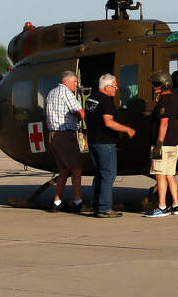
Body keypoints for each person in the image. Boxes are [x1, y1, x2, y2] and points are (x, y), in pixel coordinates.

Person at [84, 74, 136, 218]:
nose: (116, 88)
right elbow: (108, 122)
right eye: (114, 86)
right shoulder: (106, 101)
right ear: (107, 87)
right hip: (105, 143)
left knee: (99, 174)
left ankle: (95, 205)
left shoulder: (90, 99)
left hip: (93, 141)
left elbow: (87, 120)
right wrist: (127, 129)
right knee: (108, 174)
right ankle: (104, 208)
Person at [44, 70, 85, 212]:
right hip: (65, 135)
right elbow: (80, 111)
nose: (76, 85)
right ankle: (78, 200)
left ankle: (57, 200)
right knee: (77, 167)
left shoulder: (51, 93)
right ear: (66, 82)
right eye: (75, 82)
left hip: (53, 136)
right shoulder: (66, 93)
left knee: (64, 170)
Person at [144, 70, 178, 217]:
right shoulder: (176, 98)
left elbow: (164, 123)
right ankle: (176, 205)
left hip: (163, 144)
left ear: (164, 84)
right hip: (174, 143)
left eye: (156, 84)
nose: (154, 87)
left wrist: (158, 144)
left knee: (160, 175)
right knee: (170, 174)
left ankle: (161, 206)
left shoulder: (164, 101)